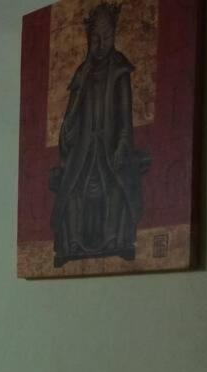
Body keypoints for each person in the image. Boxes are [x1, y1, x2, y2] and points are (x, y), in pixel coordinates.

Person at [50, 2, 150, 267]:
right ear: (88, 38)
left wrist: (122, 146)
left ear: (113, 35)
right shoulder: (82, 72)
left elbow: (125, 119)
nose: (101, 44)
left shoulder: (119, 69)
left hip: (109, 150)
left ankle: (114, 241)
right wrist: (69, 128)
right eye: (95, 38)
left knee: (115, 187)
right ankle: (72, 245)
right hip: (84, 151)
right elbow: (69, 121)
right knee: (72, 189)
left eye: (106, 37)